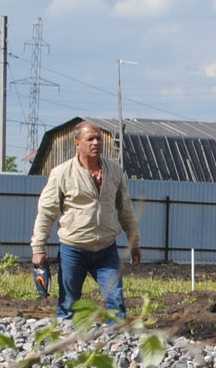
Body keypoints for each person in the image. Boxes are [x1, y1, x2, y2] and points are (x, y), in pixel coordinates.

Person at [30, 121, 141, 320]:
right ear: (77, 143)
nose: (96, 142)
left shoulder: (114, 171)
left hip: (106, 249)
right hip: (73, 249)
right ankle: (67, 345)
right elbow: (46, 212)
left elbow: (125, 210)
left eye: (98, 138)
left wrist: (134, 243)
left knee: (115, 302)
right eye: (90, 139)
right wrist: (38, 248)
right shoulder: (62, 173)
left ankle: (117, 345)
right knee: (69, 304)